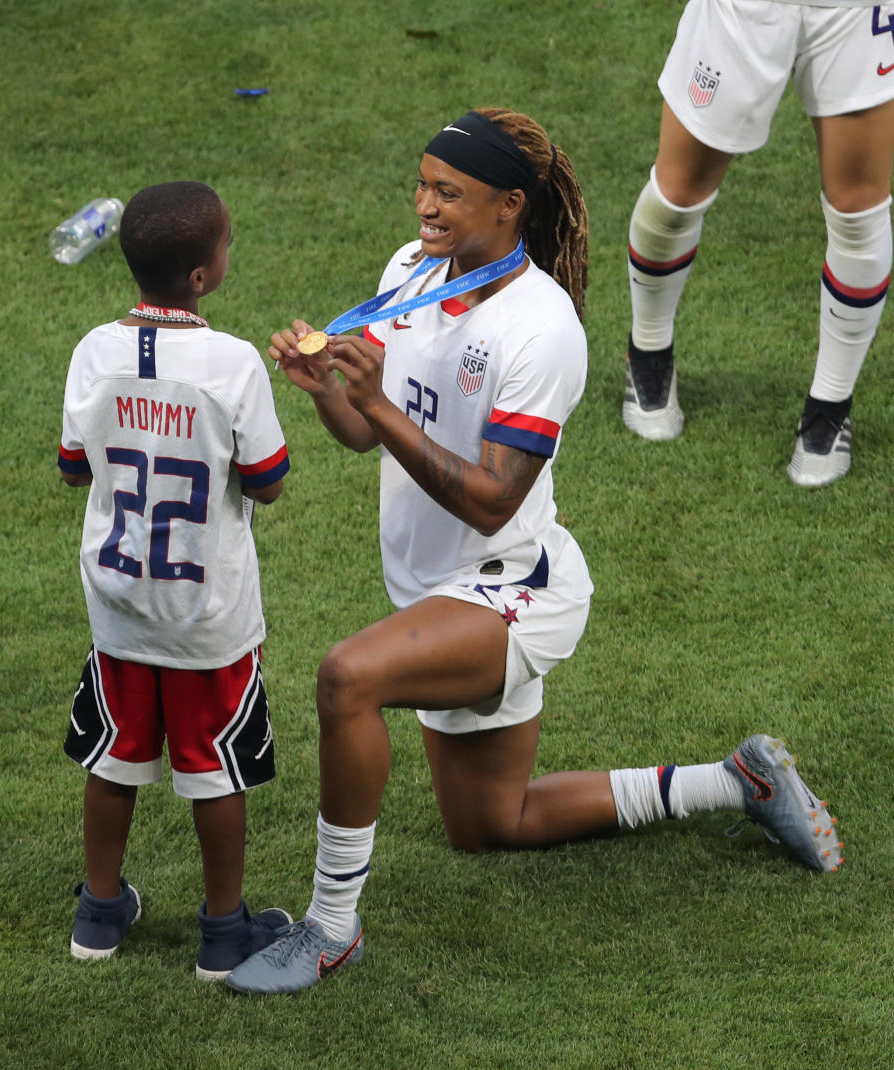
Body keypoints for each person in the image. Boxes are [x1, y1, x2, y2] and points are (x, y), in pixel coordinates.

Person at [226, 110, 843, 996]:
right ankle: (735, 780)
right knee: (492, 825)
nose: (424, 205)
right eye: (423, 183)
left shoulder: (542, 329)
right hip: (433, 591)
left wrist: (384, 407)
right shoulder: (412, 271)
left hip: (511, 588)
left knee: (346, 678)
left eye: (448, 191)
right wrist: (331, 390)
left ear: (510, 205)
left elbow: (490, 498)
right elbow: (366, 437)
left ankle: (328, 930)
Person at [57, 181, 293, 979]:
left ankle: (98, 916)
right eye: (226, 245)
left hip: (119, 606)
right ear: (201, 276)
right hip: (209, 615)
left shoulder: (93, 350)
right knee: (215, 767)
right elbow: (268, 481)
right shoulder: (232, 363)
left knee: (114, 759)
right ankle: (224, 934)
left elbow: (70, 468)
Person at [622, 0, 894, 487]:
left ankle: (830, 407)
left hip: (856, 12)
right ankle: (648, 349)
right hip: (744, 9)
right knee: (677, 194)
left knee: (858, 207)